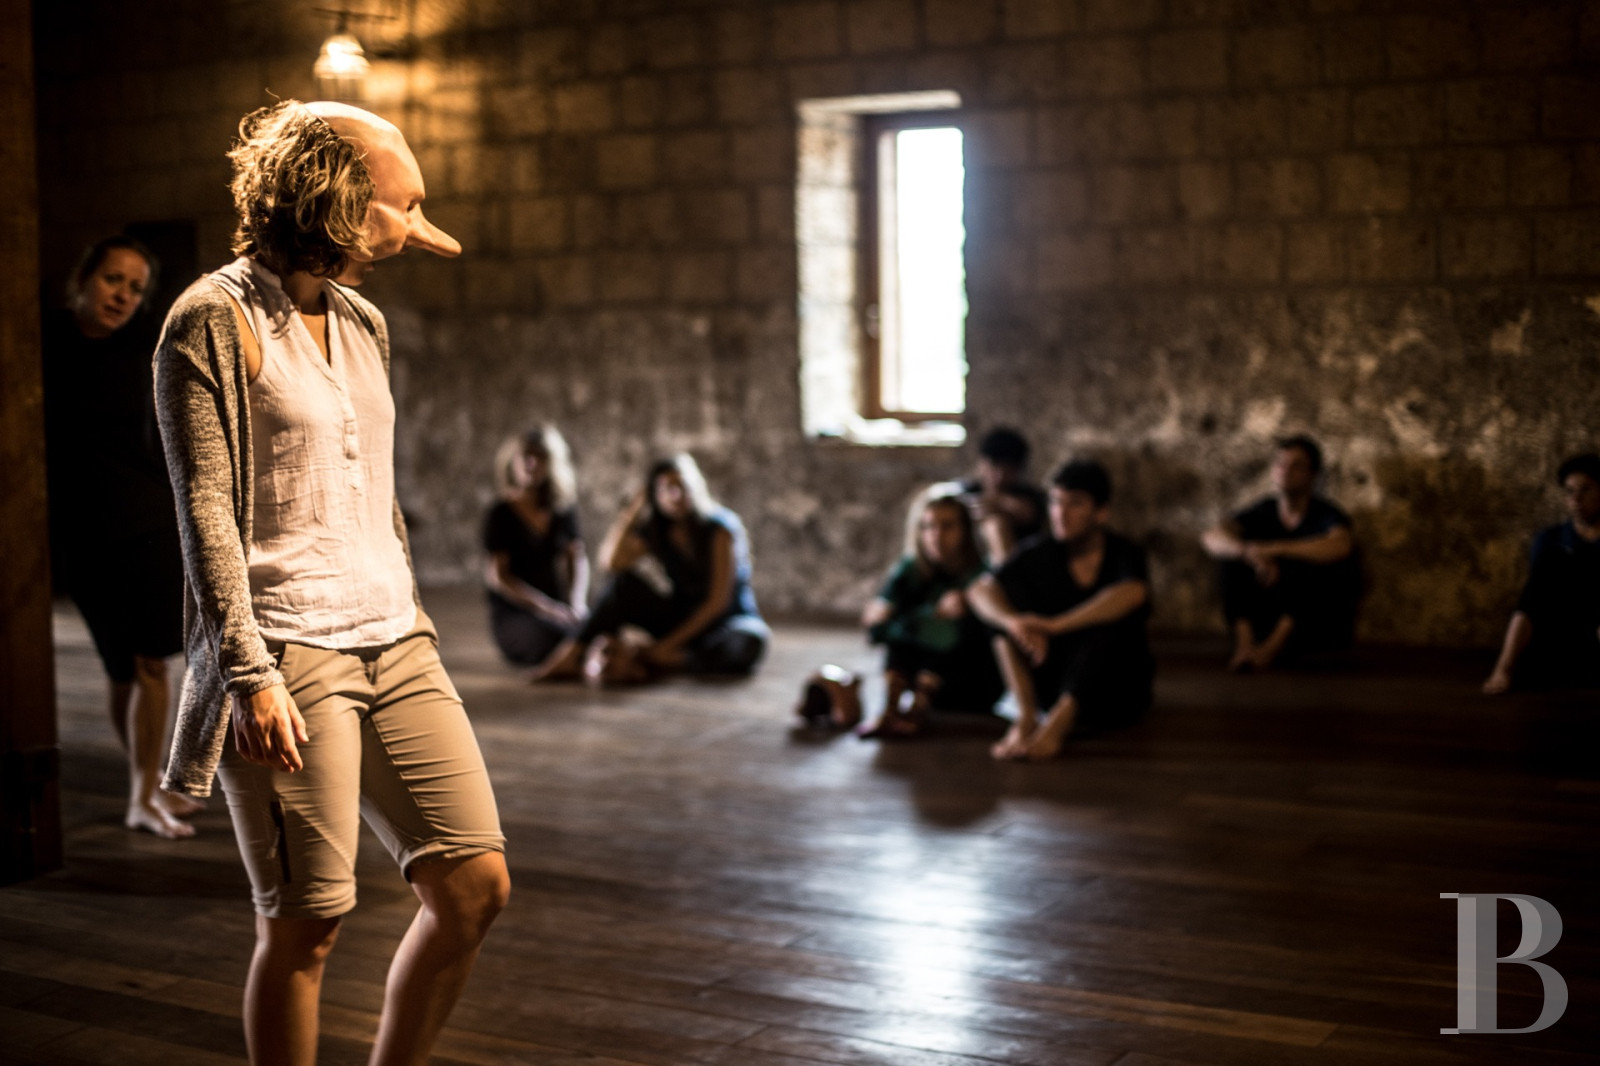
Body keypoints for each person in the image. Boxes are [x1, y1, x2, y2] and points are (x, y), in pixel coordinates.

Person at [153, 100, 508, 1066]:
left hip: (394, 636)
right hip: (285, 644)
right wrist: (247, 672)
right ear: (342, 199)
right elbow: (206, 514)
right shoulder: (209, 320)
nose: (418, 228)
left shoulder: (362, 320)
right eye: (405, 204)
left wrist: (417, 619)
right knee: (308, 924)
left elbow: (371, 490)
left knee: (475, 884)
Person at [42, 234, 201, 839]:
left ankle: (143, 794)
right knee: (119, 669)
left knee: (151, 663)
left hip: (147, 526)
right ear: (83, 277)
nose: (123, 296)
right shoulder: (40, 338)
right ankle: (149, 779)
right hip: (82, 534)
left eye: (135, 289)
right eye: (113, 280)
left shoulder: (146, 348)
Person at [968, 459, 1154, 761]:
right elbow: (980, 590)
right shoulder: (1039, 551)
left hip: (1114, 688)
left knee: (1110, 622)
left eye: (1075, 504)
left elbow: (1133, 593)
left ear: (1101, 512)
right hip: (1055, 678)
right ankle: (1026, 716)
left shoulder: (1123, 552)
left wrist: (1056, 625)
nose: (1060, 514)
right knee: (1000, 618)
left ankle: (1058, 724)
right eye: (1055, 502)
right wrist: (1014, 622)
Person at [531, 453, 768, 682]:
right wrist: (634, 510)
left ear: (695, 488)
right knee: (622, 586)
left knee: (749, 641)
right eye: (666, 488)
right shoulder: (659, 532)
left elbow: (717, 603)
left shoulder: (720, 529)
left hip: (726, 623)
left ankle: (675, 659)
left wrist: (664, 646)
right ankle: (572, 652)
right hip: (683, 619)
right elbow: (611, 563)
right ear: (655, 496)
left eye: (681, 486)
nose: (675, 495)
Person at [1201, 435, 1359, 672]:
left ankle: (1269, 650)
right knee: (1231, 561)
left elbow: (1340, 545)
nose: (1285, 471)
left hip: (1306, 621)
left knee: (1312, 564)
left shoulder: (1325, 513)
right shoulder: (1263, 510)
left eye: (1297, 465)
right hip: (1264, 605)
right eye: (1281, 464)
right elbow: (1212, 537)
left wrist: (1276, 549)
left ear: (1312, 475)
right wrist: (1250, 554)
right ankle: (1244, 645)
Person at [856, 494, 1003, 738]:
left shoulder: (979, 576)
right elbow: (875, 630)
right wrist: (920, 616)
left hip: (971, 686)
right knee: (908, 637)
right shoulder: (909, 570)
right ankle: (890, 708)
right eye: (927, 526)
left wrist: (902, 619)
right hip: (921, 677)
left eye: (947, 526)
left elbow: (946, 636)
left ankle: (916, 709)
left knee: (943, 628)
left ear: (966, 531)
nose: (936, 535)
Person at [1484, 453, 1600, 694]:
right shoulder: (1551, 539)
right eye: (1569, 492)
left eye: (1586, 490)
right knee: (1552, 560)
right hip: (1556, 637)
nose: (1576, 499)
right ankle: (1503, 668)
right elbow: (1534, 600)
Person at [483, 425, 590, 666]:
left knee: (592, 628)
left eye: (540, 457)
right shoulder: (500, 513)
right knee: (554, 637)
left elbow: (577, 557)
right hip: (518, 613)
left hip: (557, 607)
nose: (532, 464)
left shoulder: (562, 509)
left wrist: (576, 602)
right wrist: (546, 608)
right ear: (513, 462)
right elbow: (499, 577)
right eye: (525, 457)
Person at [958, 426, 1049, 564]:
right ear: (982, 464)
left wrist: (998, 503)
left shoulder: (1029, 496)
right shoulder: (966, 491)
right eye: (995, 467)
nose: (1000, 476)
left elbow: (1028, 513)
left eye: (1008, 469)